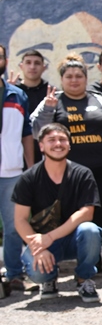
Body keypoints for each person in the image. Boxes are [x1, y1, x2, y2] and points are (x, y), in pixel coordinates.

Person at [30, 54, 102, 281]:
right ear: (62, 79)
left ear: (86, 78)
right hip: (67, 175)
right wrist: (48, 109)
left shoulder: (100, 100)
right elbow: (37, 132)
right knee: (73, 219)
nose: (74, 80)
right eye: (69, 76)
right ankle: (85, 266)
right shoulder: (52, 101)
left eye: (79, 76)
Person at [13, 123, 102, 301]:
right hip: (43, 242)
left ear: (69, 144)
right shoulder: (28, 178)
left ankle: (84, 278)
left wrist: (50, 236)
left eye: (62, 139)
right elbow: (20, 220)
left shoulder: (82, 173)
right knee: (37, 273)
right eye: (51, 140)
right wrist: (37, 248)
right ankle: (49, 278)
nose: (58, 144)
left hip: (72, 239)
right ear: (41, 146)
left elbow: (86, 213)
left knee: (90, 230)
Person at [0, 68, 34, 291]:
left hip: (12, 171)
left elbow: (26, 133)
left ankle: (14, 274)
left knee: (13, 226)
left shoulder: (17, 95)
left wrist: (31, 168)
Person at [15, 50, 49, 162]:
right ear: (21, 66)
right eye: (28, 62)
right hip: (17, 153)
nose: (32, 67)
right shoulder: (13, 93)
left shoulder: (51, 93)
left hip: (47, 153)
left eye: (37, 63)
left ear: (44, 67)